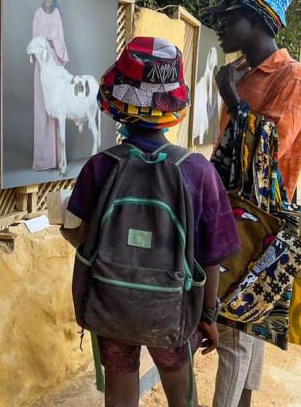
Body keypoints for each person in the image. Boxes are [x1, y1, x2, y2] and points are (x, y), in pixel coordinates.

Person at [61, 37, 241, 406]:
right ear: (174, 107)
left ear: (118, 102)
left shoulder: (101, 166)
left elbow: (79, 234)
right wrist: (208, 313)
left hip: (113, 303)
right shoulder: (198, 172)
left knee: (120, 388)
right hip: (172, 307)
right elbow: (211, 256)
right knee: (180, 393)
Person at [201, 0, 301, 407]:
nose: (222, 27)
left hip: (262, 223)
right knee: (247, 329)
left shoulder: (294, 76)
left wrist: (233, 99)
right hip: (234, 214)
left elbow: (270, 149)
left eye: (229, 18)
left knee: (236, 332)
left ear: (256, 17)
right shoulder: (242, 73)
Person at [31, 0, 69, 171]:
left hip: (55, 67)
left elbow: (61, 41)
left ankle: (57, 159)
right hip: (42, 69)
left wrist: (53, 43)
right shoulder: (38, 14)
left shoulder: (56, 15)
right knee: (42, 111)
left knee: (57, 110)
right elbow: (35, 41)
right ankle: (43, 159)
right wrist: (44, 43)